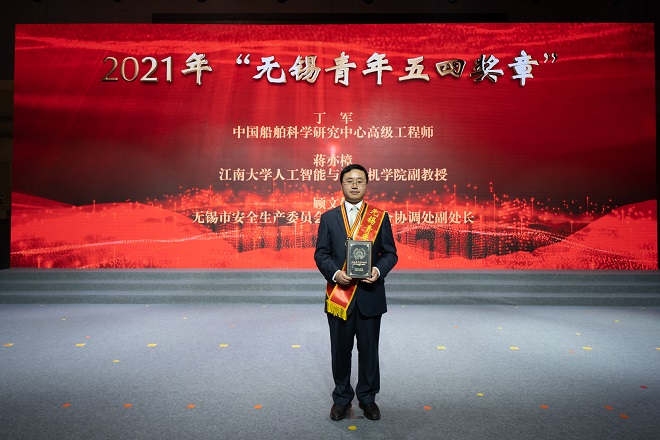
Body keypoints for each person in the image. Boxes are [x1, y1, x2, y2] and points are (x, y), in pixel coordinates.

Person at [314, 163, 398, 421]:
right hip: (340, 296)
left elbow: (390, 253)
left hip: (370, 296)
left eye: (359, 181)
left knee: (369, 351)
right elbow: (321, 254)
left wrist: (378, 270)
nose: (354, 185)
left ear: (366, 185)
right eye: (349, 181)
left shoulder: (379, 217)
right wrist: (335, 274)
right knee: (340, 351)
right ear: (341, 184)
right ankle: (341, 399)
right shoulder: (329, 218)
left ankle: (368, 398)